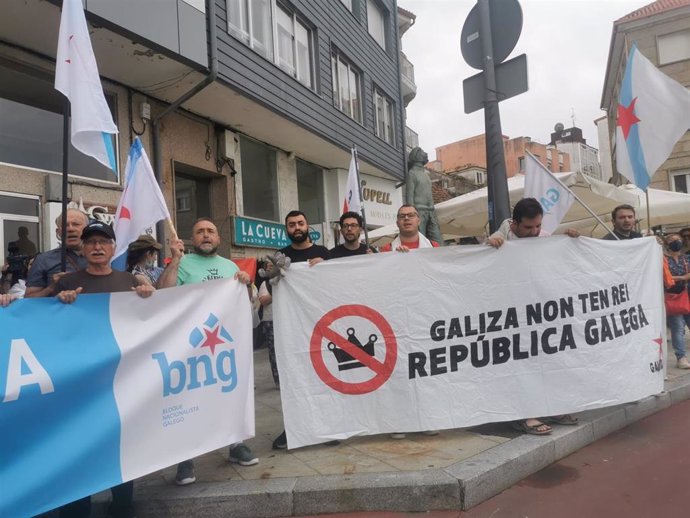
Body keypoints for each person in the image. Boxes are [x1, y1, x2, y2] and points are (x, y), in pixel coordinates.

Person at [53, 221, 155, 518]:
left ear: (113, 248)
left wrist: (149, 296)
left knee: (120, 447)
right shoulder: (66, 282)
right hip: (79, 385)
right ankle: (75, 510)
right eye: (91, 242)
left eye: (103, 242)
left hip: (120, 381)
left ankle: (122, 507)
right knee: (77, 450)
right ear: (83, 249)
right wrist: (60, 304)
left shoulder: (131, 282)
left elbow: (154, 320)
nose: (97, 247)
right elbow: (46, 327)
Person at [157, 218, 258, 485]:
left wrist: (246, 284)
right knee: (188, 398)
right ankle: (186, 457)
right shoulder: (183, 263)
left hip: (225, 345)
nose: (205, 235)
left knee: (229, 391)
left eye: (210, 231)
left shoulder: (230, 266)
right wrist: (175, 259)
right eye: (199, 231)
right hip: (189, 345)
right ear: (192, 238)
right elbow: (162, 292)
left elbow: (244, 305)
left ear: (218, 238)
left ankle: (236, 445)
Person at [486, 198, 580, 435]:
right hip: (511, 318)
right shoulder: (500, 238)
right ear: (515, 224)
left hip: (540, 316)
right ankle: (526, 414)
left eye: (537, 226)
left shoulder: (544, 238)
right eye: (528, 228)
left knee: (548, 362)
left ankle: (551, 406)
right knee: (521, 365)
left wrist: (568, 240)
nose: (534, 232)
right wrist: (489, 246)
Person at [271, 210, 331, 450]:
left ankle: (327, 427)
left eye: (300, 223)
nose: (297, 227)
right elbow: (266, 286)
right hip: (291, 328)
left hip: (320, 325)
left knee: (323, 377)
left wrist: (326, 266)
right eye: (292, 224)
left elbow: (337, 282)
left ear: (308, 226)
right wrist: (273, 273)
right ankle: (294, 427)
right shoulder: (279, 256)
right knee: (294, 377)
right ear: (286, 229)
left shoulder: (324, 252)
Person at [25, 209, 89, 298]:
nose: (70, 229)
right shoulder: (43, 260)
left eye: (76, 224)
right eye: (65, 225)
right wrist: (51, 288)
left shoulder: (100, 257)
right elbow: (29, 298)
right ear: (58, 232)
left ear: (87, 229)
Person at [406, 147, 443, 244]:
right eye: (422, 152)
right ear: (416, 156)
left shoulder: (426, 175)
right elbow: (409, 196)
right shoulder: (412, 173)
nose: (425, 154)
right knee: (420, 241)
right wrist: (411, 214)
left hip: (431, 211)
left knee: (438, 240)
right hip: (419, 211)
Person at [663, 233, 690, 369]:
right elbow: (664, 277)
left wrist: (675, 277)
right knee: (678, 328)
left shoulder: (686, 258)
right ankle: (681, 358)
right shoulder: (663, 260)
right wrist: (683, 277)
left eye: (678, 239)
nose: (676, 242)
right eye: (672, 240)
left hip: (687, 296)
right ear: (666, 243)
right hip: (672, 297)